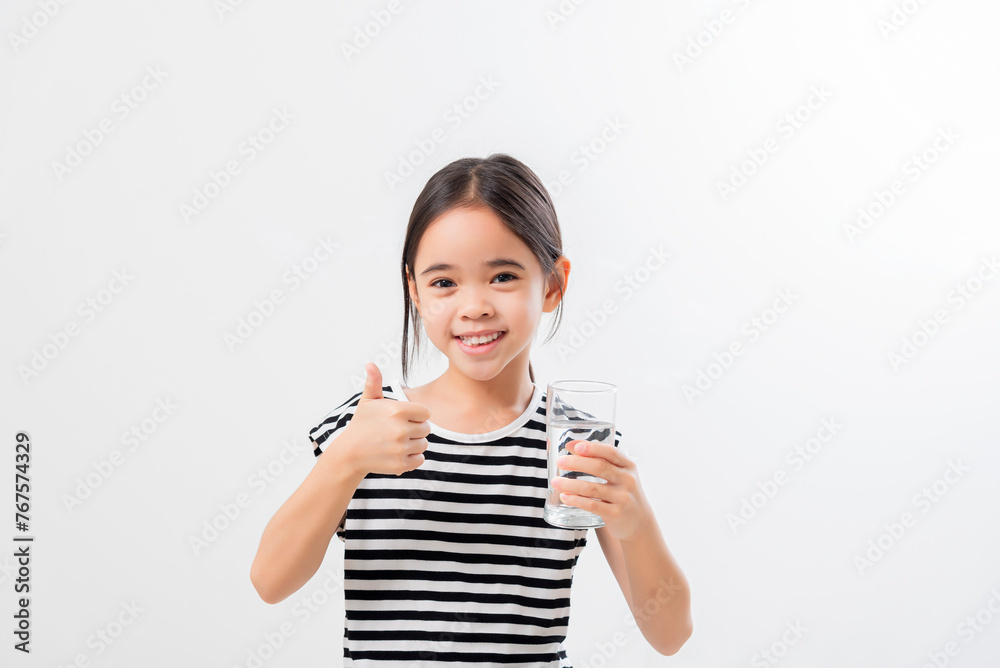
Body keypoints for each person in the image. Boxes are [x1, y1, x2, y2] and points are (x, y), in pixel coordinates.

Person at [250, 153, 692, 665]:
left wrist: (636, 522)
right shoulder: (373, 424)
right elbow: (270, 582)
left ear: (553, 284)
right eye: (444, 282)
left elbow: (671, 635)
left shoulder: (575, 442)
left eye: (502, 276)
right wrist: (346, 459)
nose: (475, 305)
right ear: (415, 291)